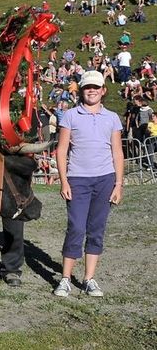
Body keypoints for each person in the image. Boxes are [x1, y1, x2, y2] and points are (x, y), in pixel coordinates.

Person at [53, 70, 123, 298]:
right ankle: (65, 278)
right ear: (81, 90)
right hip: (78, 179)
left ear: (103, 90)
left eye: (96, 87)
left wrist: (119, 184)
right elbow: (61, 150)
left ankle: (89, 279)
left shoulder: (112, 118)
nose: (91, 90)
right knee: (76, 227)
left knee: (96, 230)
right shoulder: (70, 116)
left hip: (105, 179)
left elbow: (117, 152)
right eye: (87, 87)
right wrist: (64, 181)